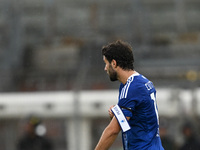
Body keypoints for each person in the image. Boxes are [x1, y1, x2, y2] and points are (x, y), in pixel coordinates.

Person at [95, 40, 164, 150]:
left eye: (106, 63)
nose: (105, 68)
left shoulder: (132, 88)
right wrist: (117, 115)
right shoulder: (141, 82)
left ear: (114, 63)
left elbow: (113, 131)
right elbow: (131, 121)